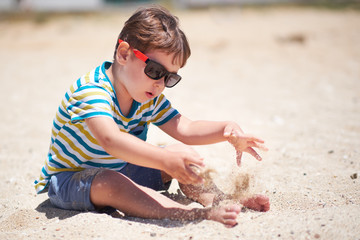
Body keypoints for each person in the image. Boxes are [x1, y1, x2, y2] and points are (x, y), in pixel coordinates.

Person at [34, 5, 269, 227]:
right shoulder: (91, 91)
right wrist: (162, 160)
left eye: (170, 78)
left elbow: (185, 128)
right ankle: (191, 213)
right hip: (71, 182)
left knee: (180, 154)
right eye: (155, 71)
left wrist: (227, 130)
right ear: (124, 54)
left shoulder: (148, 97)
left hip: (123, 170)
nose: (160, 84)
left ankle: (218, 200)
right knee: (114, 180)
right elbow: (111, 140)